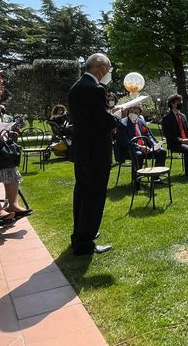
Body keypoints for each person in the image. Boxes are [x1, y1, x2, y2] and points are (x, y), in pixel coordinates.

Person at [68, 53, 118, 255]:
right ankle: (85, 242)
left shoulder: (77, 87)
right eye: (108, 69)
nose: (109, 73)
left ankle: (80, 234)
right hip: (95, 152)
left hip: (82, 150)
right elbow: (106, 122)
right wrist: (117, 115)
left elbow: (91, 116)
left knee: (82, 193)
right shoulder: (95, 90)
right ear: (100, 68)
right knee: (94, 196)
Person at [115, 104, 167, 187]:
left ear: (139, 114)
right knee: (138, 154)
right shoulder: (123, 123)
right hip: (129, 150)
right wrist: (139, 147)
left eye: (136, 112)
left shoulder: (141, 122)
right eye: (131, 111)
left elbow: (148, 135)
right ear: (128, 112)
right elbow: (124, 141)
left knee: (162, 152)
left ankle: (155, 178)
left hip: (145, 148)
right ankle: (136, 182)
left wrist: (155, 145)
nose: (133, 113)